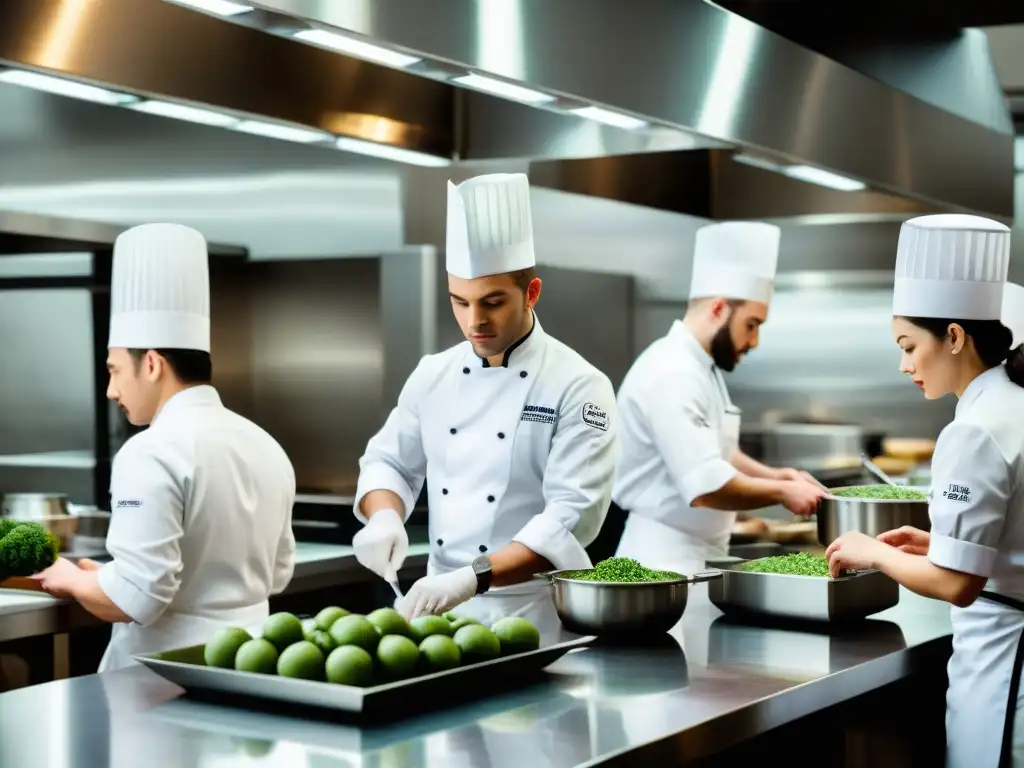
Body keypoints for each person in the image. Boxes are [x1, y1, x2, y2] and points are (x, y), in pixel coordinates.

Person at [351, 172, 618, 627]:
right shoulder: (433, 374)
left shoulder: (579, 386)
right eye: (460, 301)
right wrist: (384, 518)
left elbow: (569, 519)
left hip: (529, 614)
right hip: (432, 612)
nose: (474, 321)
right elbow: (388, 463)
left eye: (492, 302)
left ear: (531, 293)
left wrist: (470, 579)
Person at [30, 223, 297, 672]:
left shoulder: (149, 451)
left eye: (114, 370)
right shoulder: (264, 443)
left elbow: (139, 599)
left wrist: (70, 580)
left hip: (164, 677)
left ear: (151, 363)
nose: (111, 390)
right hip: (254, 667)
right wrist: (110, 577)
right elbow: (277, 574)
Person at [825, 215, 1024, 767]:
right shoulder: (1012, 403)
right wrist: (938, 538)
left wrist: (878, 553)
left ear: (955, 337)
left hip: (1006, 664)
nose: (903, 363)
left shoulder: (974, 429)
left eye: (910, 345)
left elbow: (958, 584)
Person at [612, 221, 828, 590]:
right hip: (661, 562)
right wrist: (782, 493)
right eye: (752, 324)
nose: (755, 340)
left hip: (697, 555)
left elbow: (717, 453)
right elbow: (705, 485)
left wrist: (775, 476)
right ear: (717, 308)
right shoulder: (672, 372)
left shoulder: (700, 368)